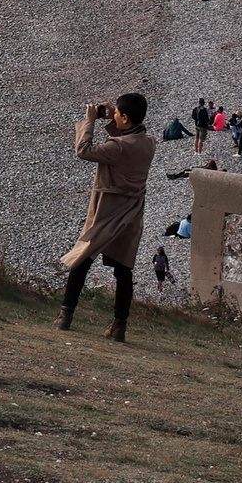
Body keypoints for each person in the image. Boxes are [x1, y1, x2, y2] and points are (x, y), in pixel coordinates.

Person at [59, 92, 156, 343]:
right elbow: (124, 141)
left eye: (116, 115)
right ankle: (119, 326)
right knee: (123, 269)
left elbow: (84, 150)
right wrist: (116, 117)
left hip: (107, 210)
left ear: (124, 118)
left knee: (83, 258)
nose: (112, 116)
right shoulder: (149, 142)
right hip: (132, 212)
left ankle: (65, 316)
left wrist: (90, 120)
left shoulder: (118, 147)